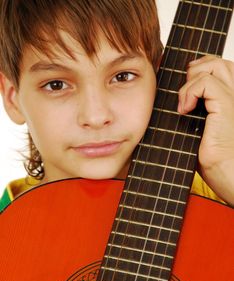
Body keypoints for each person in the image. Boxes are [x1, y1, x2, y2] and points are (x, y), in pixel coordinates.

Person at [0, 0, 233, 212]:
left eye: (122, 77)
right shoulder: (7, 232)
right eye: (56, 85)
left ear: (161, 78)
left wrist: (226, 171)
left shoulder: (220, 199)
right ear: (12, 98)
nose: (96, 116)